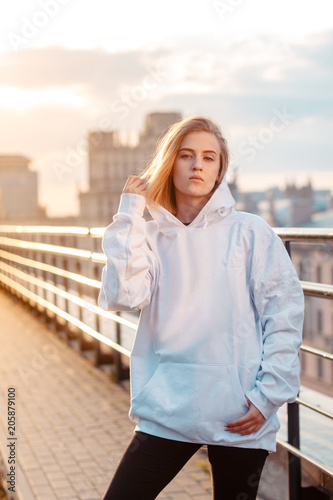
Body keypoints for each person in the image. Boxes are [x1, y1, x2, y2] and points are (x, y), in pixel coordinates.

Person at [98, 115, 304, 500]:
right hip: (166, 411)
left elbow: (285, 317)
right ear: (169, 163)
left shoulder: (251, 232)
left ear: (219, 170)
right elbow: (125, 296)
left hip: (240, 413)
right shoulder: (151, 235)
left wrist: (268, 397)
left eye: (209, 158)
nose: (197, 165)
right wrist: (129, 213)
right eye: (186, 155)